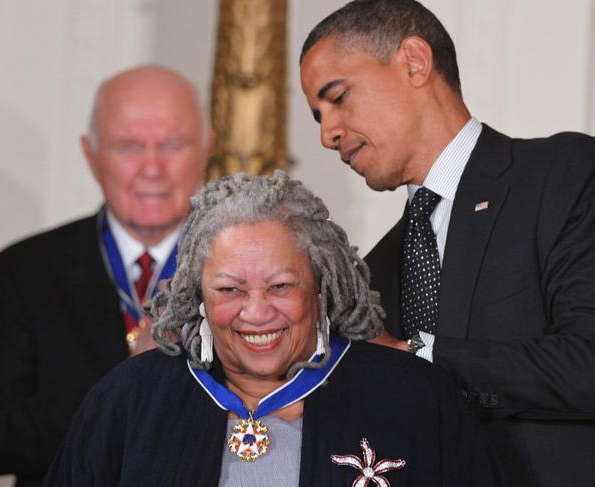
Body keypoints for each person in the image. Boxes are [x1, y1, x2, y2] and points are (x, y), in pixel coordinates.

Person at [44, 171, 503, 486]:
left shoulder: (413, 397)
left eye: (281, 286)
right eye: (230, 290)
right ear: (196, 293)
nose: (257, 312)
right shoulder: (128, 400)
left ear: (321, 283)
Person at [299, 1, 595, 486]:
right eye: (317, 115)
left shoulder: (563, 176)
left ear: (414, 61)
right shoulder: (371, 272)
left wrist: (416, 358)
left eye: (338, 97)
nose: (328, 134)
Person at [0, 65, 213, 487]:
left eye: (172, 144)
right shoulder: (30, 269)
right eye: (129, 147)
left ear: (207, 147)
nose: (152, 168)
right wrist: (122, 387)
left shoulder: (249, 266)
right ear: (91, 155)